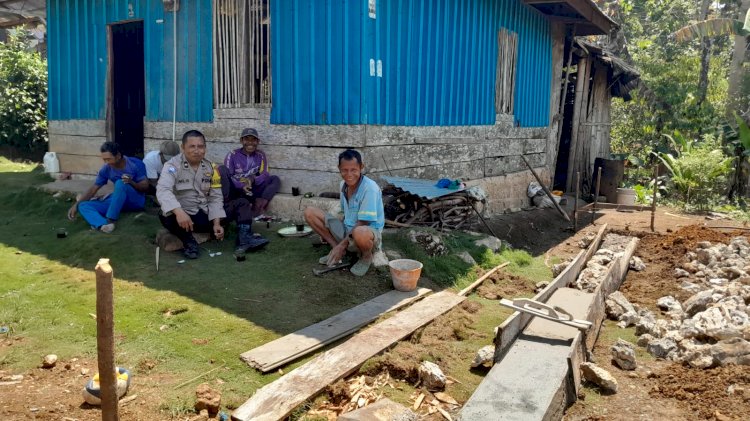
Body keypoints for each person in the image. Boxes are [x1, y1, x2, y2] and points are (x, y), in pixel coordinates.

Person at [156, 130, 266, 259]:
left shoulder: (210, 168)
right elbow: (163, 190)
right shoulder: (172, 166)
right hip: (185, 219)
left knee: (242, 203)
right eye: (192, 146)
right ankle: (189, 242)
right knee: (165, 214)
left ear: (205, 148)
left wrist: (217, 223)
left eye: (200, 146)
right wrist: (179, 212)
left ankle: (244, 239)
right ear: (183, 148)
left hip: (205, 215)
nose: (197, 150)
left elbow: (215, 197)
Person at [303, 149, 384, 277]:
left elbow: (363, 222)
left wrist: (342, 245)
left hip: (366, 235)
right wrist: (335, 239)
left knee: (360, 232)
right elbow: (344, 213)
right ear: (339, 168)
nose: (349, 174)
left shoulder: (370, 188)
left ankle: (366, 256)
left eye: (353, 170)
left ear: (361, 167)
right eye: (344, 170)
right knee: (310, 212)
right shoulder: (343, 185)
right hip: (348, 231)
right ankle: (335, 249)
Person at [67, 142, 148, 233]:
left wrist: (132, 182)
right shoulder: (106, 169)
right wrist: (76, 205)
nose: (106, 162)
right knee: (83, 205)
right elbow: (94, 188)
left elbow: (145, 187)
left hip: (135, 200)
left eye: (108, 159)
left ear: (118, 156)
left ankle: (111, 219)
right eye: (104, 159)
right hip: (117, 201)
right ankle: (103, 225)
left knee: (120, 183)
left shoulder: (135, 163)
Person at [222, 128, 281, 220]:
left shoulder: (260, 155)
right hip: (238, 189)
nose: (250, 143)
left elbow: (265, 173)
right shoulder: (232, 155)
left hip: (253, 186)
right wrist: (241, 185)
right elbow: (228, 178)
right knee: (236, 192)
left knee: (274, 179)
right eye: (247, 139)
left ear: (258, 142)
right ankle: (251, 206)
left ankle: (259, 207)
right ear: (241, 141)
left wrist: (253, 179)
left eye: (254, 140)